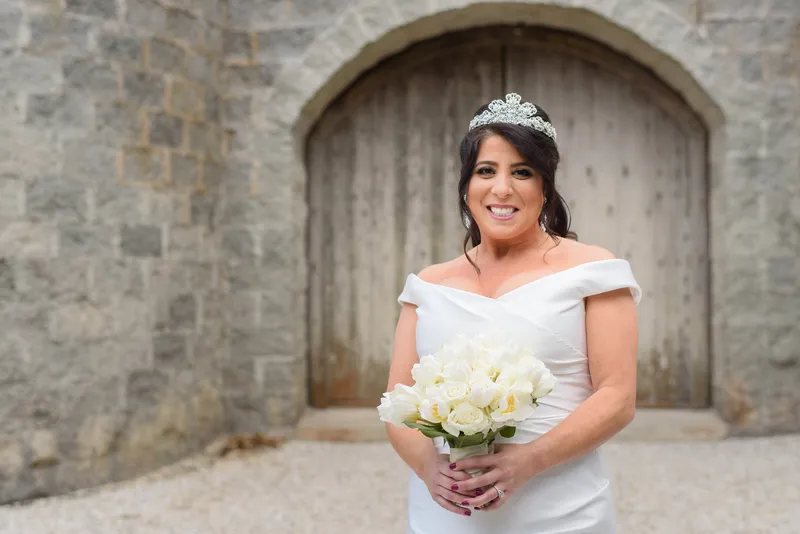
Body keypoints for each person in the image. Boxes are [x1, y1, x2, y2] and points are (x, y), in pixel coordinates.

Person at [384, 93, 642, 533]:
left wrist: (527, 461)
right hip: (447, 515)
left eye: (522, 172)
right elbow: (397, 401)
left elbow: (617, 397)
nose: (502, 189)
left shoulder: (594, 271)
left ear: (545, 187)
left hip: (560, 511)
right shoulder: (428, 286)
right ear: (467, 186)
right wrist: (430, 469)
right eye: (486, 171)